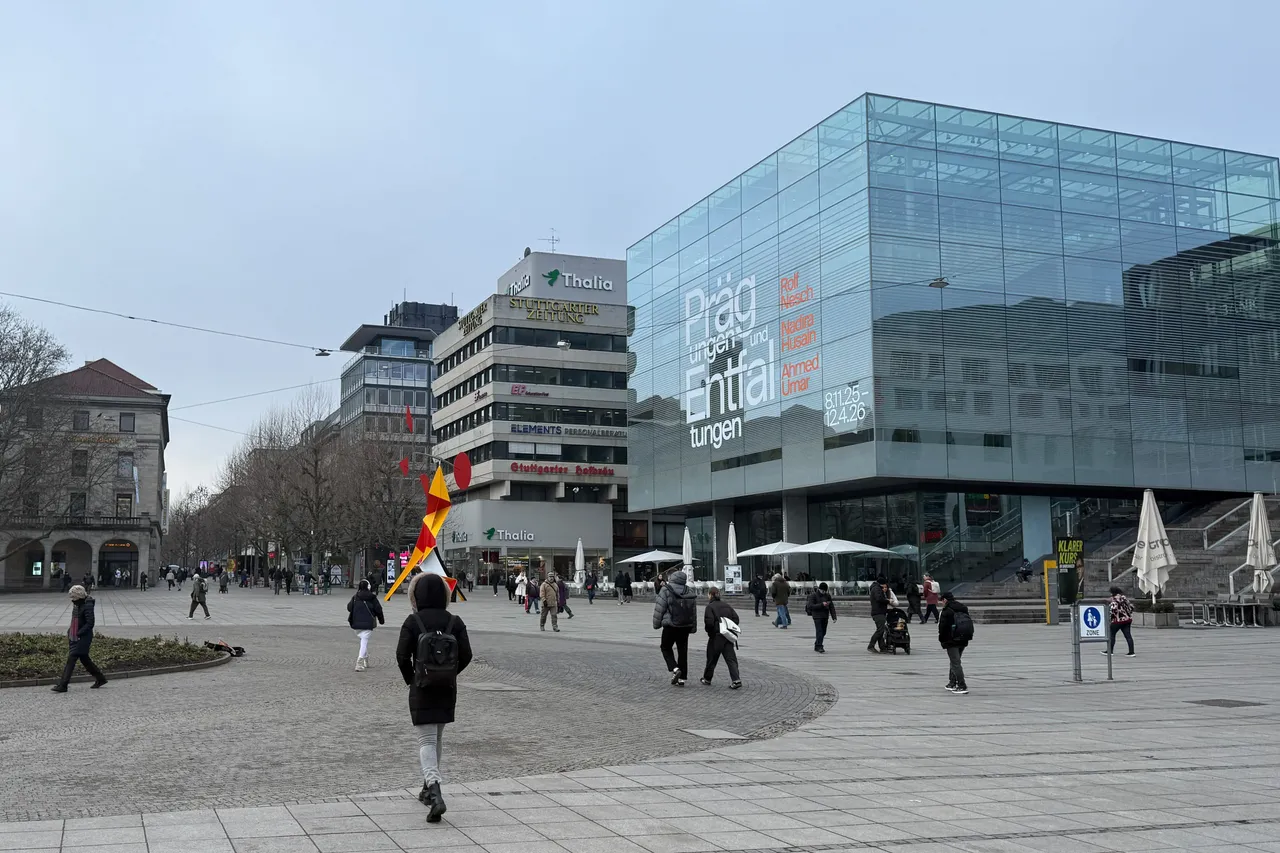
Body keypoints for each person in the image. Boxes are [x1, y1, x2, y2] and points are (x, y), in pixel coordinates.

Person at [395, 574, 472, 823]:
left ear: (415, 595)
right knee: (437, 737)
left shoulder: (413, 620)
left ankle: (435, 791)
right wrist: (448, 674)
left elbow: (401, 656)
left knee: (426, 740)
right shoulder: (455, 621)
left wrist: (415, 678)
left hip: (422, 687)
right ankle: (428, 788)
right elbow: (467, 655)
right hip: (447, 688)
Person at [51, 585, 108, 692]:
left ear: (80, 597)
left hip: (83, 637)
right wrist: (70, 631)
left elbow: (90, 623)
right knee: (85, 660)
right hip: (76, 635)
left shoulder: (87, 605)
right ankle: (100, 678)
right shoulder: (78, 605)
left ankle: (63, 685)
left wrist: (78, 633)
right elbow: (75, 620)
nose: (72, 600)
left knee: (71, 659)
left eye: (74, 598)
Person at [652, 569, 697, 685]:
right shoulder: (689, 590)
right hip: (685, 625)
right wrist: (693, 627)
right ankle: (682, 678)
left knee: (665, 647)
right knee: (683, 650)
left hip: (671, 625)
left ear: (672, 578)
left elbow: (659, 608)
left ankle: (675, 668)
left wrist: (656, 624)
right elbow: (693, 611)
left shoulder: (666, 590)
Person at [699, 587, 742, 688]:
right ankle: (736, 679)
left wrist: (712, 632)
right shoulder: (727, 606)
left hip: (716, 636)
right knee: (731, 659)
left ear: (710, 595)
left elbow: (709, 623)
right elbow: (736, 619)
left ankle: (707, 678)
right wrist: (729, 628)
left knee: (711, 659)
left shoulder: (710, 607)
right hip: (727, 636)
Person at [348, 579, 386, 671]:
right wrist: (381, 620)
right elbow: (378, 609)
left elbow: (349, 608)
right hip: (368, 623)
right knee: (364, 642)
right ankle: (359, 662)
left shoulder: (355, 596)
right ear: (369, 586)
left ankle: (366, 660)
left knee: (363, 641)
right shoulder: (372, 597)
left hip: (356, 623)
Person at [938, 591, 972, 693]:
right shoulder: (963, 607)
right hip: (964, 637)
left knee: (956, 662)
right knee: (955, 661)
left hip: (951, 639)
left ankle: (962, 685)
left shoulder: (946, 611)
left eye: (942, 601)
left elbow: (942, 627)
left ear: (945, 600)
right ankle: (952, 682)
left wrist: (942, 640)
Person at [805, 582, 837, 653]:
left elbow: (831, 606)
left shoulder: (827, 596)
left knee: (823, 632)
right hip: (817, 616)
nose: (824, 592)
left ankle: (817, 644)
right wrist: (821, 605)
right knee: (819, 631)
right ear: (819, 589)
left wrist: (834, 617)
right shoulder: (813, 596)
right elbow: (810, 606)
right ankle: (819, 646)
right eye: (822, 591)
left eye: (825, 591)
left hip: (825, 616)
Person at [1105, 586, 1136, 657]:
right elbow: (1131, 607)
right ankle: (1131, 652)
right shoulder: (1124, 598)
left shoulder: (1114, 600)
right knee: (1128, 636)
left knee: (1112, 634)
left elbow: (1113, 610)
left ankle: (1110, 651)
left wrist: (1110, 618)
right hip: (1127, 620)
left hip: (1117, 620)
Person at [867, 576, 890, 653]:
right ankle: (871, 645)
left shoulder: (875, 588)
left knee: (881, 630)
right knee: (880, 630)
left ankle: (882, 647)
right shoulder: (877, 589)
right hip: (878, 612)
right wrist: (887, 601)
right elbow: (879, 598)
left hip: (879, 611)